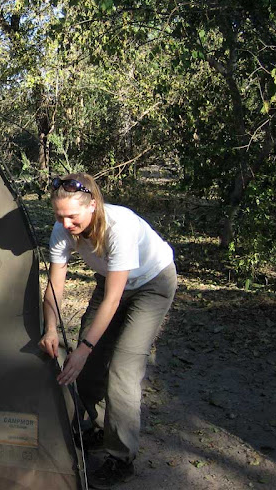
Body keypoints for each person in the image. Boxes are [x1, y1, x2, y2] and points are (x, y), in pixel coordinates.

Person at [38, 173, 176, 489]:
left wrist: (84, 348)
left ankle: (121, 457)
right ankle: (101, 429)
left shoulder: (119, 226)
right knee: (87, 369)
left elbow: (114, 299)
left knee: (123, 369)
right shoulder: (62, 230)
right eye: (59, 216)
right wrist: (50, 329)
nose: (65, 223)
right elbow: (55, 287)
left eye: (72, 216)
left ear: (93, 206)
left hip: (151, 285)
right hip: (110, 282)